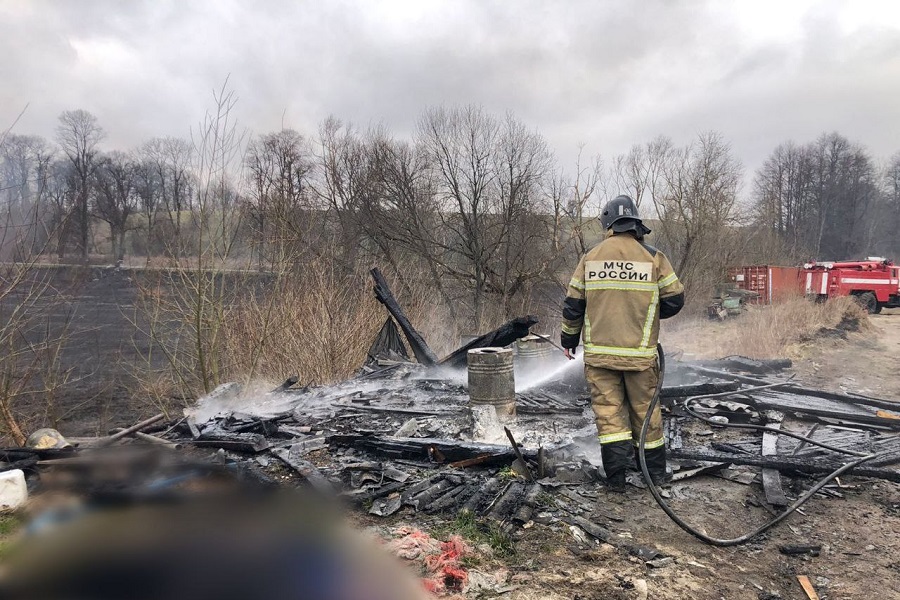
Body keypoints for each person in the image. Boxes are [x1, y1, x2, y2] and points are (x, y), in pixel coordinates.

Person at [560, 195, 684, 491]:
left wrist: (569, 339)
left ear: (608, 225)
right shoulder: (654, 257)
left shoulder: (591, 258)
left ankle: (616, 481)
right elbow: (675, 300)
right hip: (640, 357)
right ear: (636, 225)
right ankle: (654, 476)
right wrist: (648, 314)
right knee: (646, 413)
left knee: (609, 414)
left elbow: (573, 305)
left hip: (600, 357)